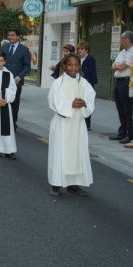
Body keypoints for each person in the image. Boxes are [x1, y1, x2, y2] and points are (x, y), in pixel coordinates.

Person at [47, 54, 96, 197]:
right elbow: (53, 101)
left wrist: (84, 103)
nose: (73, 68)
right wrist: (70, 105)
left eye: (76, 65)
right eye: (70, 65)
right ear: (64, 66)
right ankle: (56, 184)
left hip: (78, 123)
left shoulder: (84, 82)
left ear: (79, 66)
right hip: (62, 123)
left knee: (78, 153)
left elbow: (90, 97)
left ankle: (73, 184)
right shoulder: (58, 83)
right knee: (59, 154)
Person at [109, 31, 133, 144]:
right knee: (120, 108)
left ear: (129, 40)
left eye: (124, 38)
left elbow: (121, 67)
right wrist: (118, 66)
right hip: (118, 81)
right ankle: (122, 132)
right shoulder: (121, 52)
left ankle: (130, 135)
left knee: (127, 109)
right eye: (121, 38)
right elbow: (113, 66)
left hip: (126, 82)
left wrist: (118, 66)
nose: (121, 41)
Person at [0, 29, 32, 130]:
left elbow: (27, 66)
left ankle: (12, 124)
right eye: (9, 35)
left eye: (13, 35)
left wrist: (19, 77)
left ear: (18, 37)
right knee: (3, 101)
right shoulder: (4, 47)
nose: (10, 37)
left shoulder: (24, 49)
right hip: (3, 79)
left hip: (16, 81)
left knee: (14, 102)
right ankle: (3, 122)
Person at [78, 41, 97, 131]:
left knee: (86, 103)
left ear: (87, 50)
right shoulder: (78, 59)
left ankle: (87, 124)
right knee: (79, 102)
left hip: (88, 84)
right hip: (79, 84)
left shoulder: (90, 59)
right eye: (79, 49)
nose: (80, 51)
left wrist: (92, 84)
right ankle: (80, 121)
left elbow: (93, 73)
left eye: (82, 49)